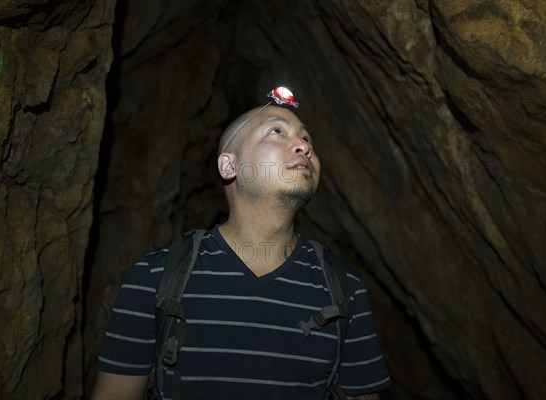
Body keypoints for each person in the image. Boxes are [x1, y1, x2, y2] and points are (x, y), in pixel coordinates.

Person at [92, 101, 391, 399]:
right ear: (229, 165)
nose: (302, 145)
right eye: (277, 131)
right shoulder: (156, 277)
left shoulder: (344, 288)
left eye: (307, 138)